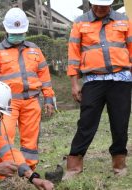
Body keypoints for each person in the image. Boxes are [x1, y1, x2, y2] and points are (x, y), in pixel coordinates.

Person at [64, 0, 132, 180]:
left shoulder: (124, 20)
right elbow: (73, 54)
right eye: (97, 5)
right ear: (92, 4)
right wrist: (74, 84)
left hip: (121, 80)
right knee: (86, 122)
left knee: (120, 123)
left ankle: (119, 163)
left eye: (105, 5)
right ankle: (74, 166)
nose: (101, 8)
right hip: (93, 81)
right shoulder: (80, 22)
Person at [0, 8, 55, 170]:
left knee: (30, 140)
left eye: (21, 32)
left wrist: (49, 98)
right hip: (6, 105)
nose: (18, 35)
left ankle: (28, 170)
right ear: (6, 30)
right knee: (3, 137)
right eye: (14, 32)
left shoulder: (35, 49)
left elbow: (44, 76)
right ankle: (2, 170)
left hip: (31, 101)